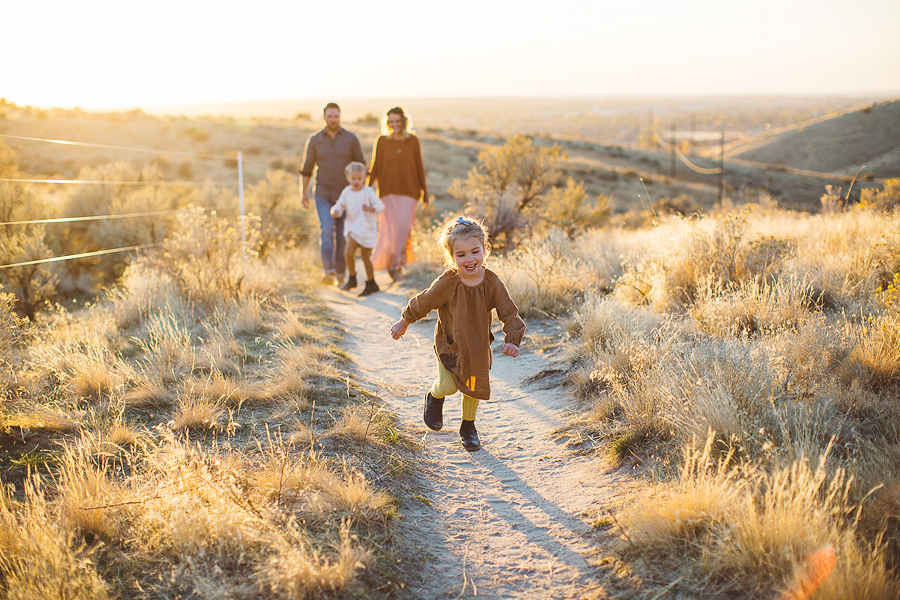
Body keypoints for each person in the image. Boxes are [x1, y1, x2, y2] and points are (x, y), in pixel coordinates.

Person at [390, 216, 525, 451]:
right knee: (449, 386)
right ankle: (434, 396)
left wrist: (512, 339)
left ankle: (468, 427)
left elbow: (509, 312)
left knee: (474, 386)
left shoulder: (492, 282)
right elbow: (425, 301)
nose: (469, 259)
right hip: (449, 345)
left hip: (477, 348)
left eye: (475, 251)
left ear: (485, 249)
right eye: (461, 255)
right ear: (452, 257)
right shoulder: (449, 281)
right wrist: (404, 321)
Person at [299, 102, 366, 286]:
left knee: (343, 235)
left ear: (340, 117)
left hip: (346, 195)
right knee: (327, 230)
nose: (333, 120)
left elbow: (361, 165)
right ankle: (328, 271)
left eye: (336, 116)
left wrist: (361, 194)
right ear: (324, 118)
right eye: (330, 116)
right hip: (322, 193)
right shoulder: (315, 140)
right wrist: (303, 193)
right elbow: (307, 169)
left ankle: (341, 273)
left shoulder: (351, 139)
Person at [367, 107, 429, 281]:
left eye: (398, 121)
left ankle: (396, 263)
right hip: (387, 191)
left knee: (403, 228)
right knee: (389, 230)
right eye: (391, 121)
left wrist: (425, 193)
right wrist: (367, 190)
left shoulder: (413, 141)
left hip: (410, 191)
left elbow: (419, 167)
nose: (395, 124)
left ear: (404, 122)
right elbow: (375, 167)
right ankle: (394, 266)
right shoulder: (382, 141)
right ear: (387, 123)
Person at [330, 162, 384, 297]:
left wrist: (371, 208)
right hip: (353, 228)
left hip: (366, 228)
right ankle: (352, 279)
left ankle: (371, 283)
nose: (356, 181)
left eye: (359, 179)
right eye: (353, 178)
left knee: (366, 257)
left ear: (364, 178)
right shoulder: (347, 191)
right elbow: (340, 204)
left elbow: (380, 206)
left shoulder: (368, 192)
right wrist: (335, 211)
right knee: (348, 254)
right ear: (348, 178)